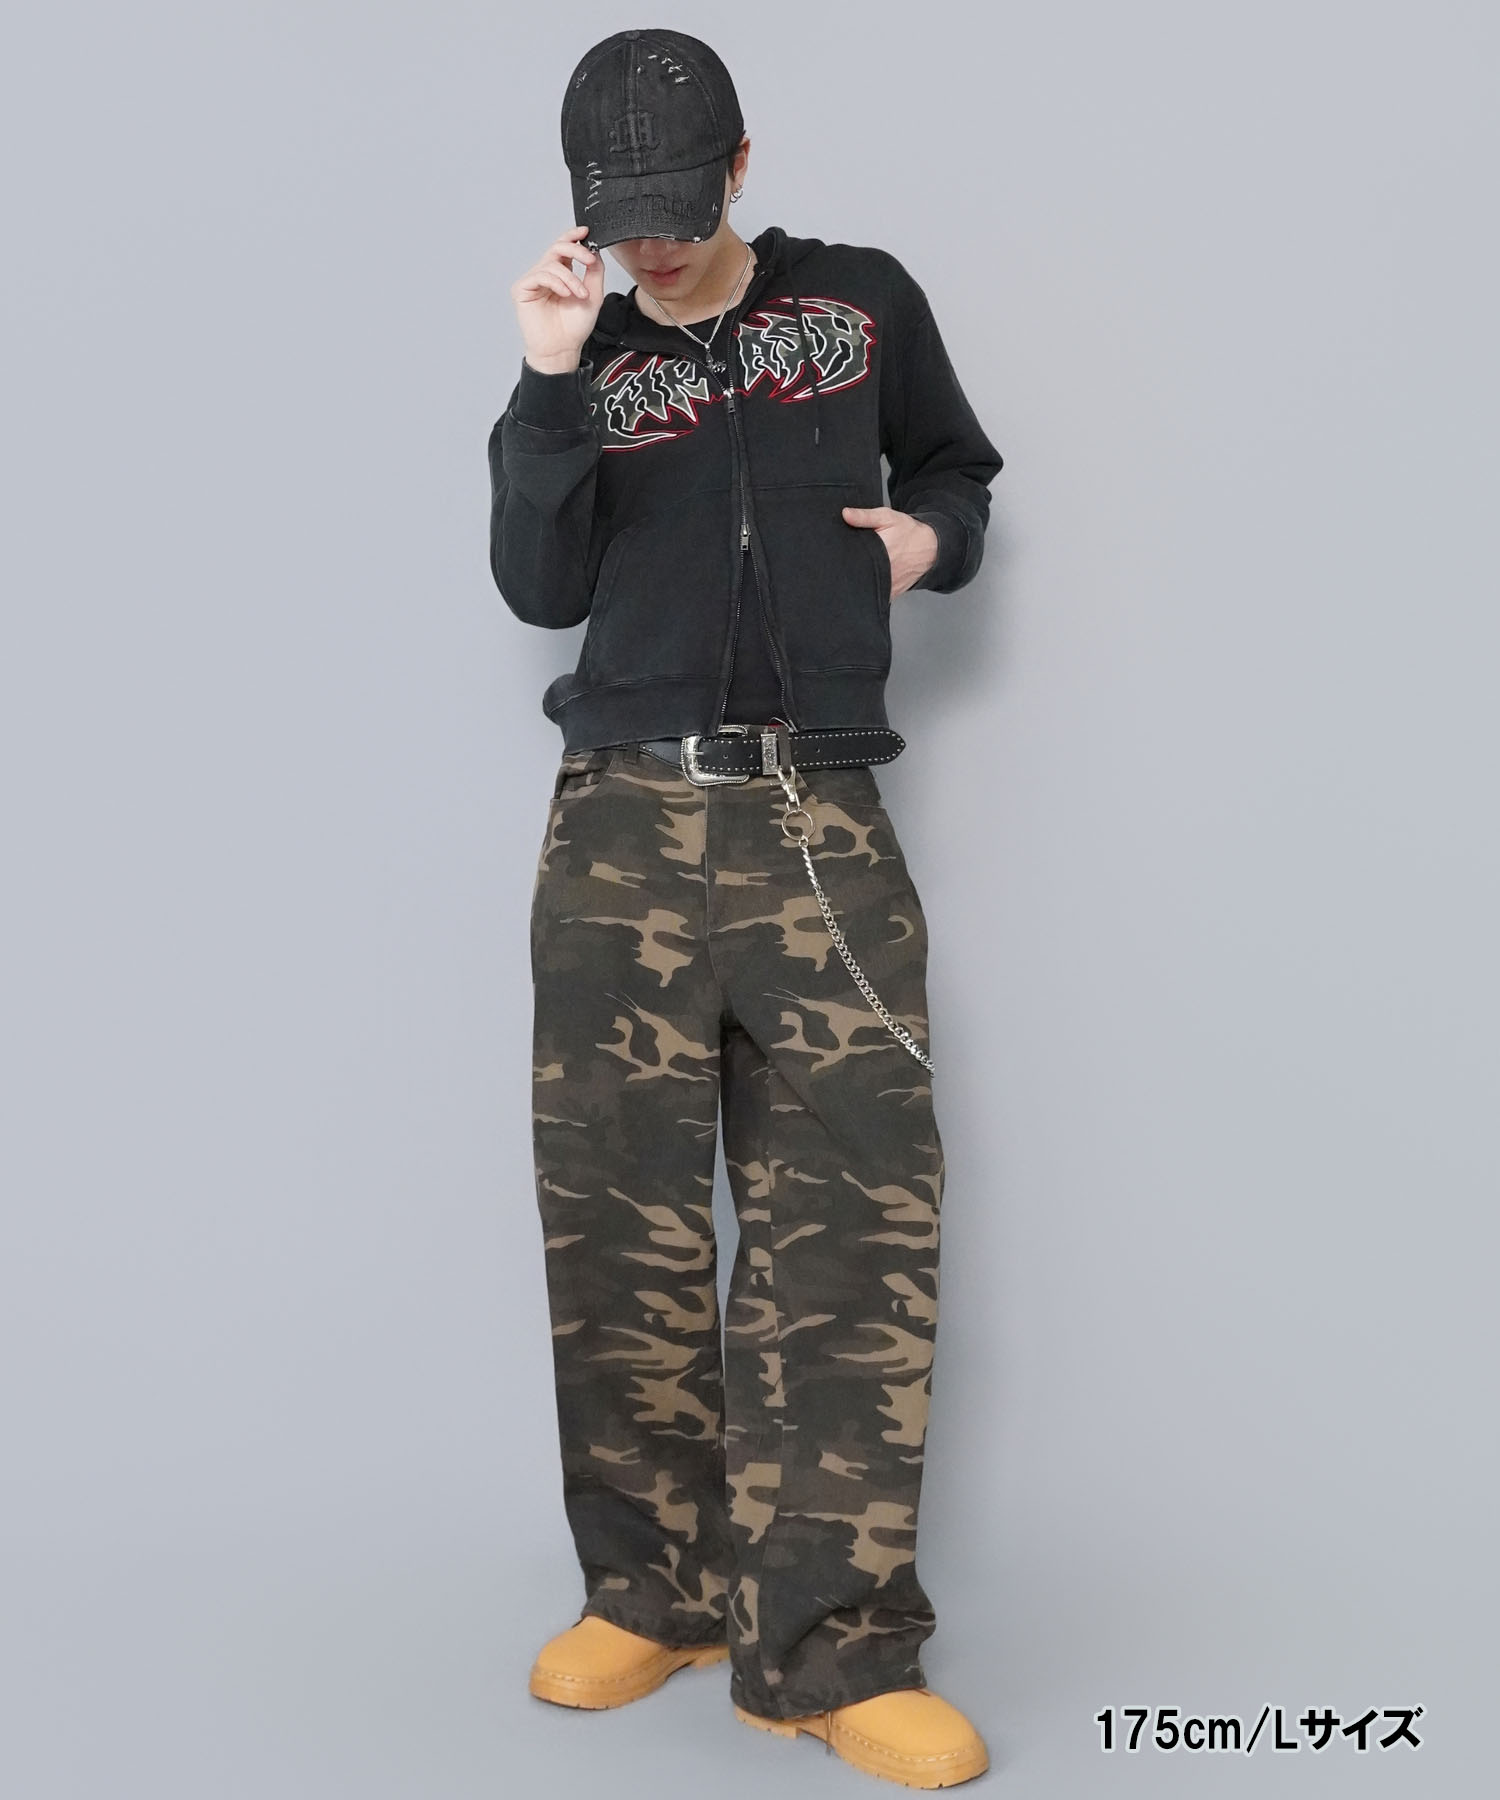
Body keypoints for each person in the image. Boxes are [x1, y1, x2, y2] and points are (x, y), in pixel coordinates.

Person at [487, 28, 1004, 1790]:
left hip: (815, 818)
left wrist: (928, 543)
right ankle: (653, 1596)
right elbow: (536, 585)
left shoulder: (860, 304)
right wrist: (549, 379)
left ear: (741, 164)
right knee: (616, 1231)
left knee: (855, 1227)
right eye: (618, 215)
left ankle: (832, 1650)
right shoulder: (585, 343)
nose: (650, 243)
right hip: (620, 826)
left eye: (677, 206)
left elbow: (958, 471)